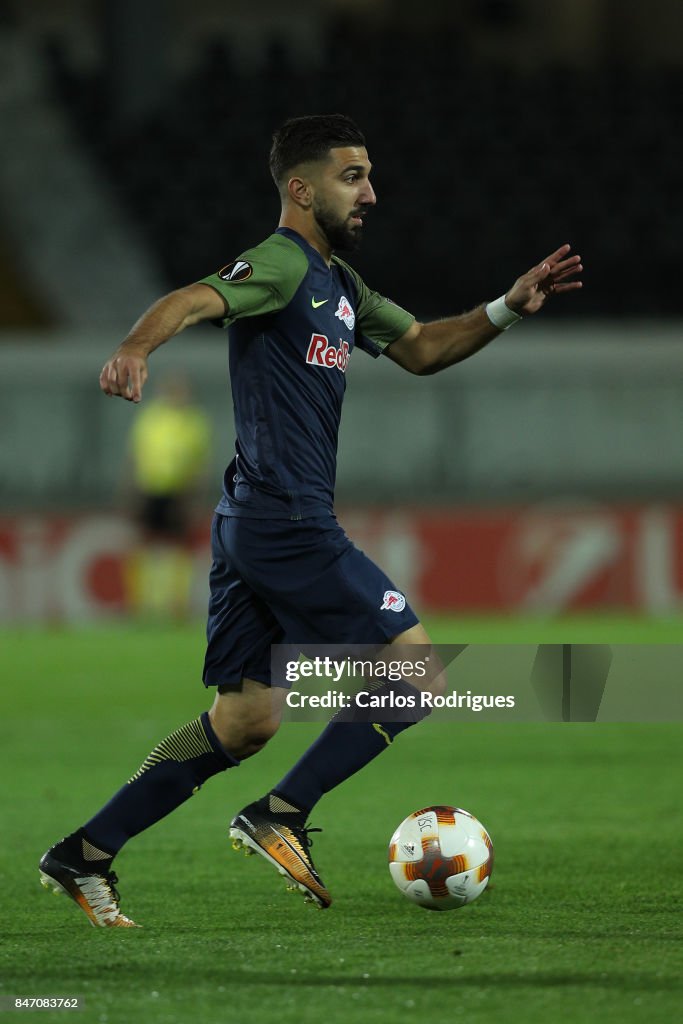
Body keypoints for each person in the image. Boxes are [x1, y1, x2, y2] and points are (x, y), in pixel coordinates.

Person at [39, 114, 582, 927]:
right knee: (416, 671)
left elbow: (424, 348)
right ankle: (280, 814)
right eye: (352, 177)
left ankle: (84, 853)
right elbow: (193, 297)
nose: (371, 193)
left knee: (245, 720)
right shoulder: (283, 264)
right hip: (285, 519)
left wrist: (505, 306)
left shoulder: (341, 287)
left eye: (368, 176)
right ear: (301, 189)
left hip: (251, 520)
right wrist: (136, 346)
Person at [124, 371, 211, 619]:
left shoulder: (194, 421)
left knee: (179, 546)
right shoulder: (151, 418)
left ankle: (176, 603)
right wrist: (130, 491)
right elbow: (134, 457)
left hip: (179, 491)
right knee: (142, 545)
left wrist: (195, 498)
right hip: (149, 488)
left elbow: (200, 463)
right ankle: (141, 603)